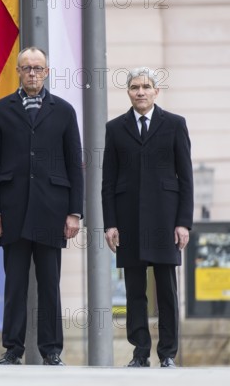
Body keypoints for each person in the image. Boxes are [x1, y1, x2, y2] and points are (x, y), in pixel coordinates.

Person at [0, 47, 84, 366]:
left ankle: (51, 349)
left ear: (47, 72)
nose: (32, 73)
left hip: (52, 211)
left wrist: (74, 212)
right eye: (26, 68)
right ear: (18, 71)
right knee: (14, 284)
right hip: (11, 210)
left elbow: (73, 164)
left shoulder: (64, 111)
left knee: (50, 284)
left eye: (38, 68)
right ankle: (13, 348)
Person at [102, 67, 193, 368]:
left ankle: (167, 353)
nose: (140, 92)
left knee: (166, 291)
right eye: (134, 87)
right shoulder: (115, 128)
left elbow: (186, 178)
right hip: (128, 219)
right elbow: (108, 181)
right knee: (134, 291)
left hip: (166, 219)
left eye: (146, 86)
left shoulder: (175, 124)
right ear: (127, 92)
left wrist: (183, 222)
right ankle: (140, 352)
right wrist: (110, 223)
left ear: (156, 91)